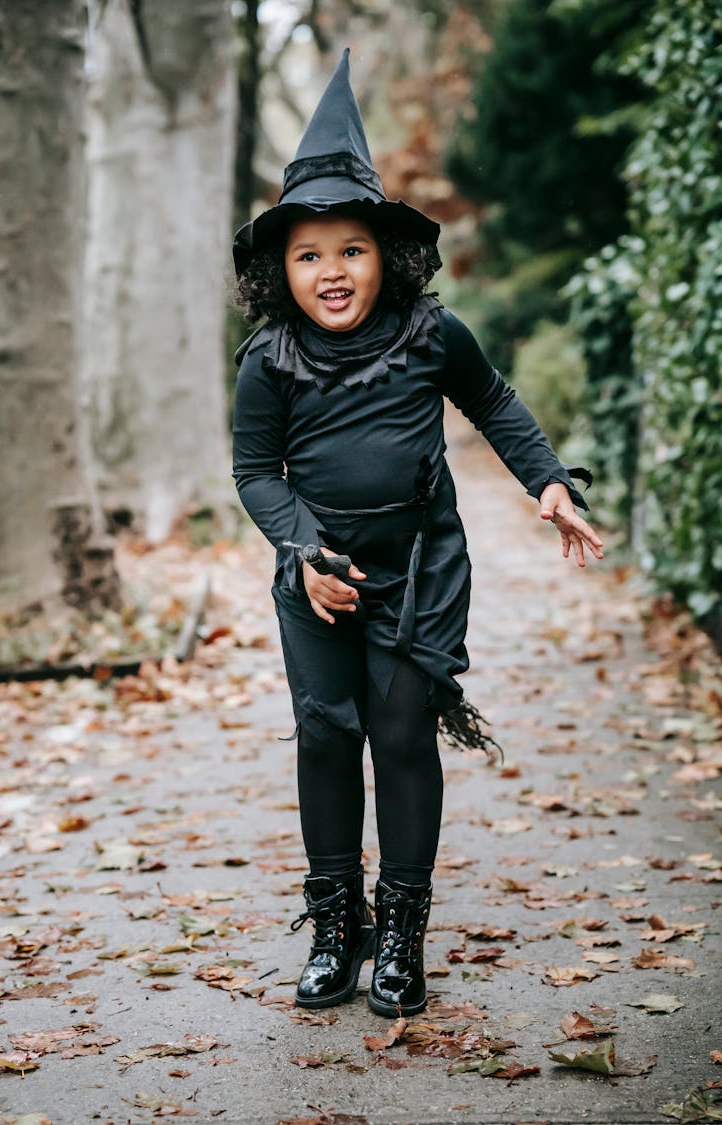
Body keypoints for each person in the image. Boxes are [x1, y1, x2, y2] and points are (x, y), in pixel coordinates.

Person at [231, 50, 603, 1018]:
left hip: (420, 566)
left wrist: (551, 481)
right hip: (316, 571)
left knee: (399, 734)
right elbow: (253, 475)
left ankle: (401, 931)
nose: (331, 271)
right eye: (308, 255)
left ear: (384, 257)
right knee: (325, 733)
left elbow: (496, 404)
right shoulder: (267, 360)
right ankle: (333, 928)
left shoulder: (432, 335)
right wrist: (306, 554)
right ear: (281, 268)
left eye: (350, 249)